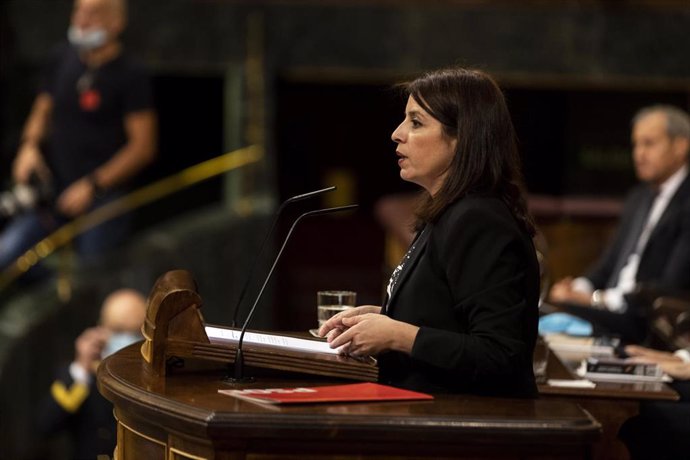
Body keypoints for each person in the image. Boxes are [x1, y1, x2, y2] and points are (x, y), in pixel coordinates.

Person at [319, 68, 540, 398]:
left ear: (462, 137)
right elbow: (451, 320)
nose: (397, 133)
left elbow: (501, 353)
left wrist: (397, 335)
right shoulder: (449, 212)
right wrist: (384, 319)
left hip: (465, 429)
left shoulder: (478, 219)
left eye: (416, 122)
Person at [0, 0, 156, 275]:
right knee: (8, 254)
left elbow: (142, 147)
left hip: (102, 197)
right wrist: (29, 146)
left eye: (93, 13)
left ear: (116, 23)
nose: (82, 20)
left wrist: (93, 184)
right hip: (53, 193)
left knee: (89, 277)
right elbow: (42, 111)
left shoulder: (131, 74)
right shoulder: (61, 58)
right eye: (78, 11)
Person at [548, 105, 690, 342]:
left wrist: (596, 299)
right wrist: (578, 288)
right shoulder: (638, 197)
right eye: (636, 144)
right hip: (610, 309)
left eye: (649, 143)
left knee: (552, 314)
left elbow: (669, 285)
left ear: (680, 146)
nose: (639, 154)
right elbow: (609, 263)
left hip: (646, 320)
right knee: (550, 306)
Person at [36, 288, 147, 460]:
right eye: (118, 330)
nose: (126, 339)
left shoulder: (155, 377)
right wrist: (81, 368)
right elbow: (46, 425)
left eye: (133, 332)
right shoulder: (84, 375)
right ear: (101, 328)